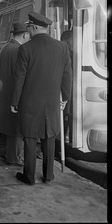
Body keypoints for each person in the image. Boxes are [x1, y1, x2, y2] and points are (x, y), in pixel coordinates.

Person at [11, 12, 72, 185]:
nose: (28, 31)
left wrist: (14, 102)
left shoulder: (25, 49)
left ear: (35, 27)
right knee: (49, 137)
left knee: (30, 138)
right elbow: (67, 76)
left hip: (30, 103)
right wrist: (65, 98)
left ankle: (29, 176)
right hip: (52, 102)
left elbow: (19, 79)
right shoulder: (62, 47)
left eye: (29, 27)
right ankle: (48, 175)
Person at [0, 22, 30, 166]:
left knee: (4, 126)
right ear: (25, 34)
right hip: (14, 94)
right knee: (16, 128)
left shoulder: (3, 49)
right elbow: (21, 75)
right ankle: (13, 157)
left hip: (2, 93)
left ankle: (0, 149)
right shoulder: (20, 50)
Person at [61, 30, 73, 143]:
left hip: (66, 92)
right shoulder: (67, 53)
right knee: (64, 118)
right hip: (65, 92)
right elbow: (67, 76)